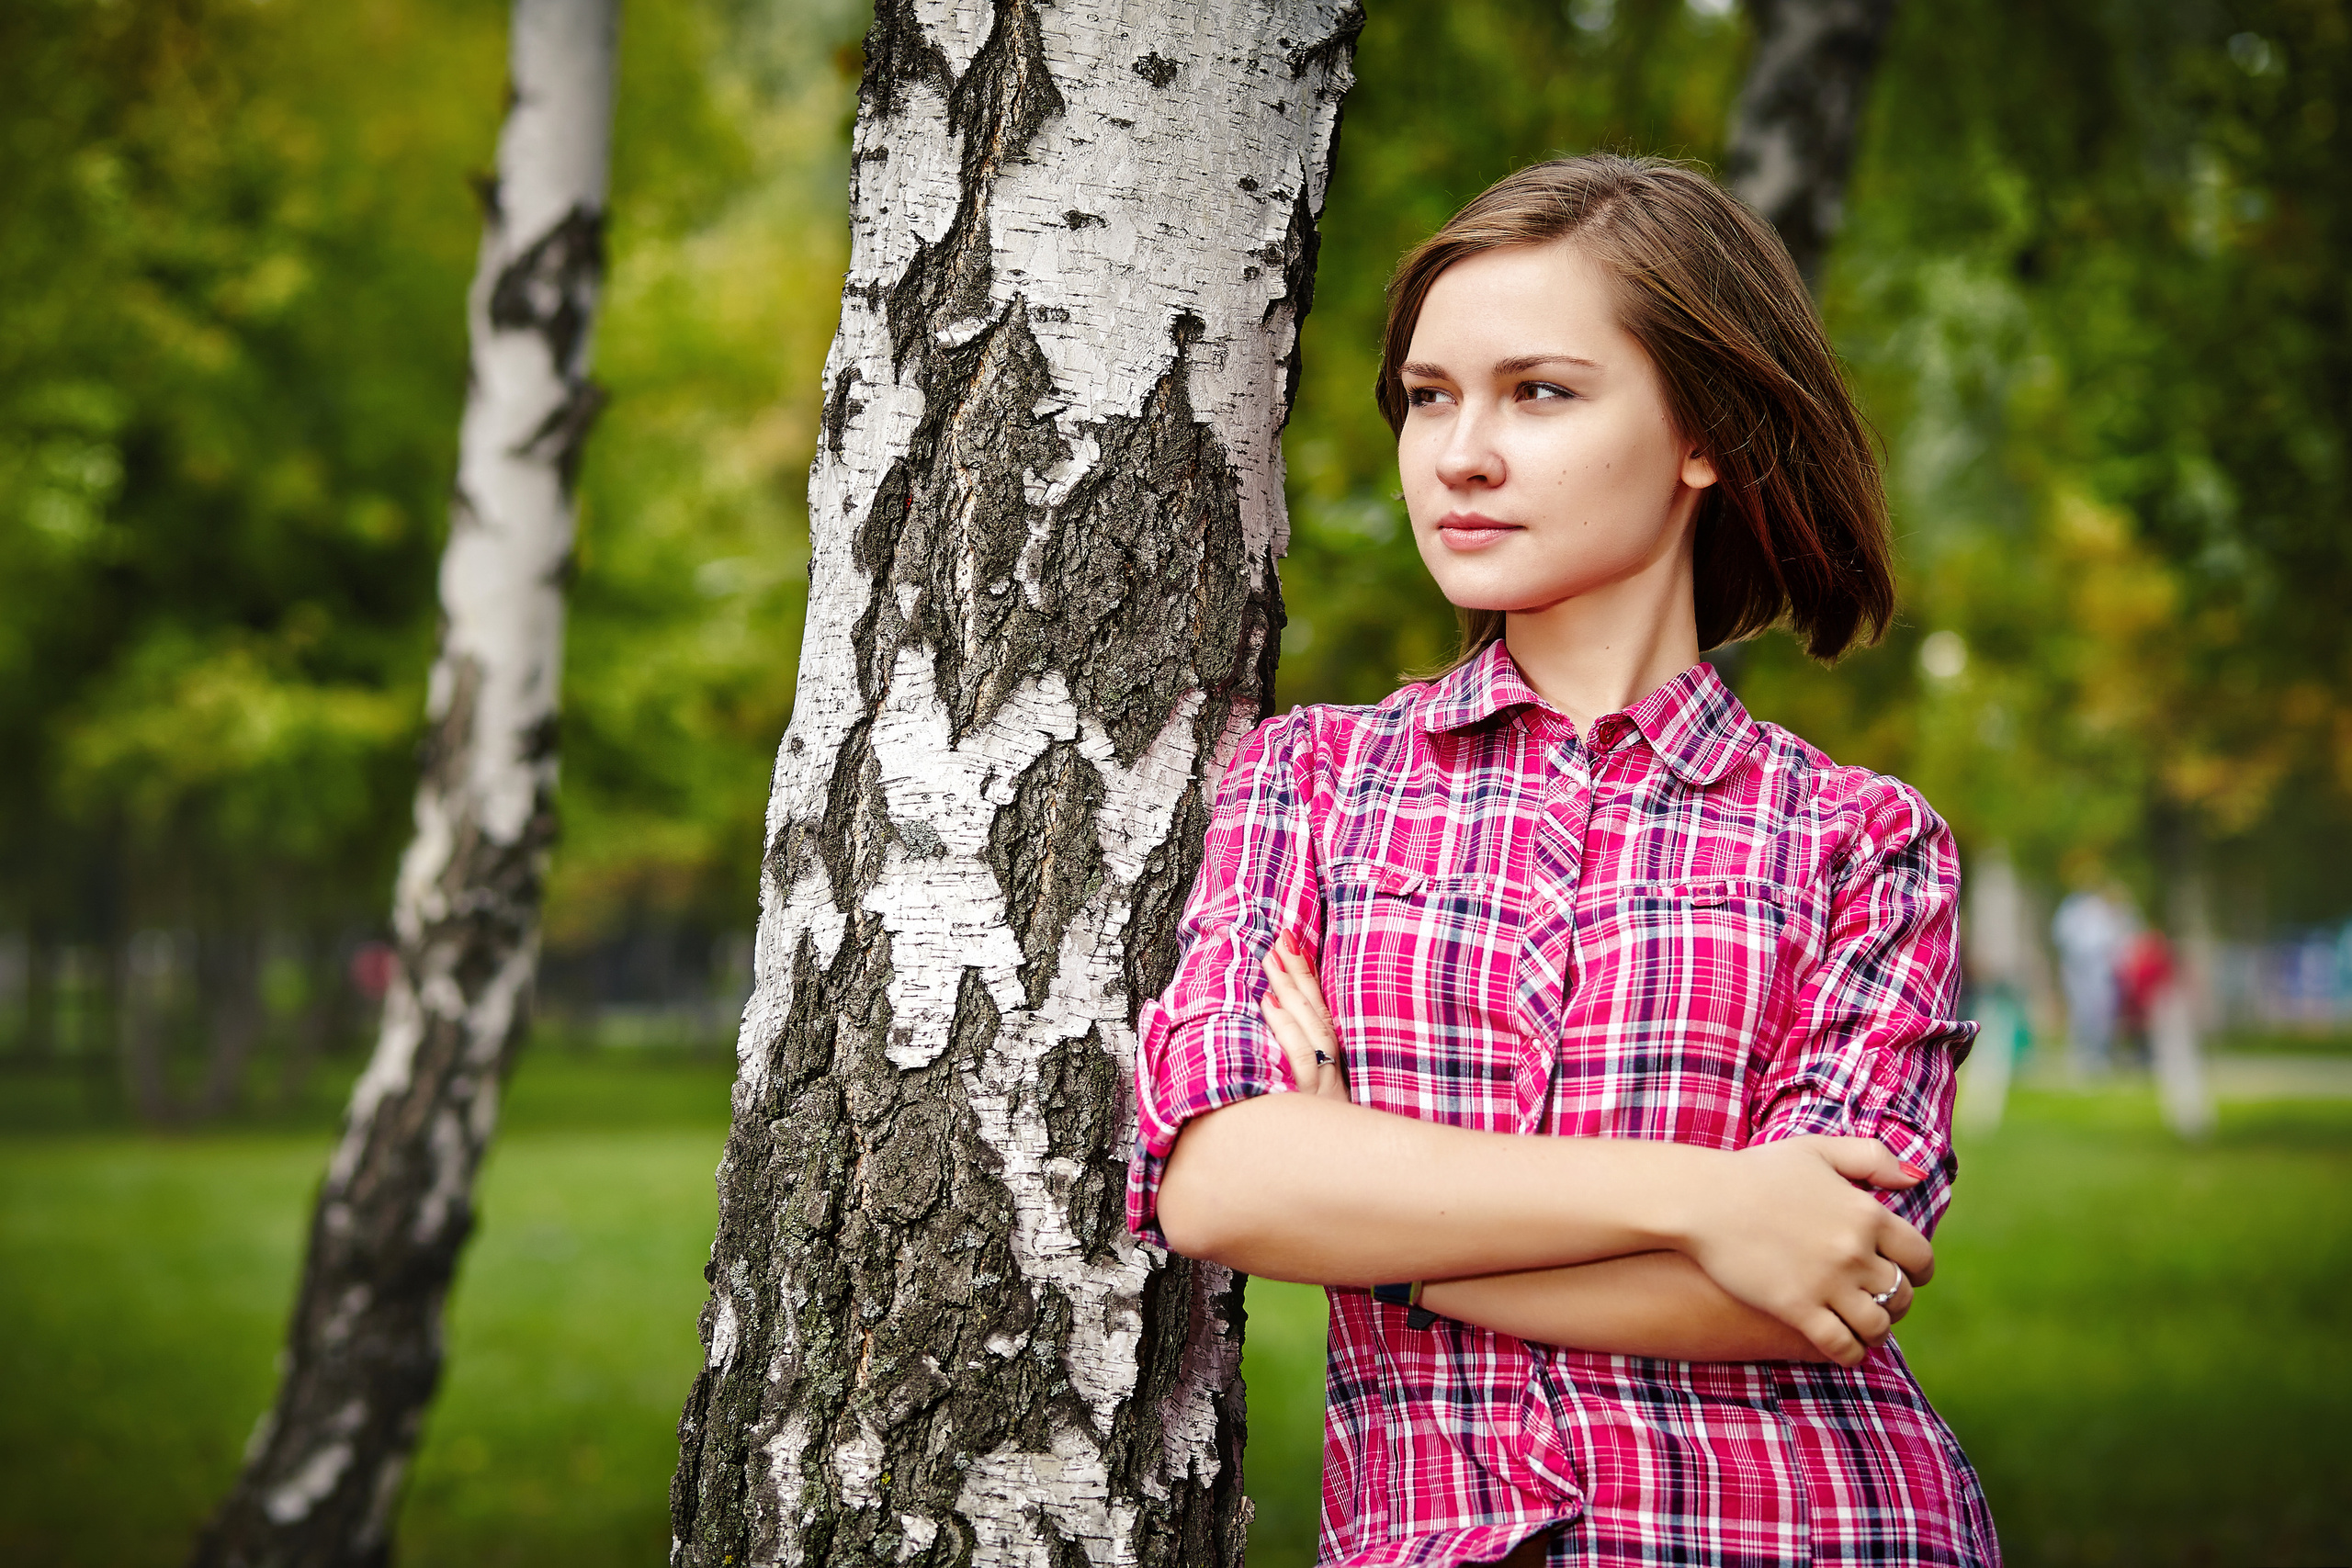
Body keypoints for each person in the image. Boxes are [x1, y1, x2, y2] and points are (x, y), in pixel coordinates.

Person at [1127, 156, 1997, 1566]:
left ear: (1703, 432)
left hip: (1819, 1529)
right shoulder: (1311, 781)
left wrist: (1371, 1214)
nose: (1460, 453)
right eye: (1428, 396)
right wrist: (1706, 1200)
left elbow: (1808, 1287)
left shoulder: (1862, 842)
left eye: (1540, 391)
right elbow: (1226, 1186)